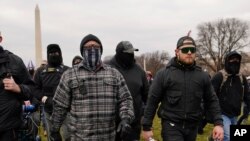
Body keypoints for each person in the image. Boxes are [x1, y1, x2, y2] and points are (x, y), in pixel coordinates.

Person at [50, 34, 135, 141]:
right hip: (79, 137)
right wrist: (55, 130)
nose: (92, 49)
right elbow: (59, 105)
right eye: (88, 47)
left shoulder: (114, 74)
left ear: (101, 50)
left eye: (95, 46)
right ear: (82, 51)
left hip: (108, 137)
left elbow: (125, 99)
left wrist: (126, 119)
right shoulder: (69, 75)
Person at [142, 35, 224, 141]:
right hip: (171, 126)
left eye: (192, 49)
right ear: (177, 52)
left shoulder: (202, 76)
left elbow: (212, 100)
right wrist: (146, 126)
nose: (189, 52)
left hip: (193, 126)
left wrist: (218, 123)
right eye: (185, 49)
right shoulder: (164, 74)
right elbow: (152, 100)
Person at [107, 41, 149, 141]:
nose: (130, 55)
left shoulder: (139, 71)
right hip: (110, 124)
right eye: (127, 53)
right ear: (119, 53)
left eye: (132, 53)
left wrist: (142, 112)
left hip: (133, 125)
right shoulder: (107, 69)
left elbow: (147, 96)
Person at [0, 32, 34, 141]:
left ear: (0, 39)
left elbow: (32, 90)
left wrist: (18, 88)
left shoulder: (15, 61)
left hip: (8, 129)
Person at [211, 51, 250, 141]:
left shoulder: (241, 78)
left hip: (235, 114)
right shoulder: (219, 76)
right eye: (232, 59)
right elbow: (211, 96)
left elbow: (247, 95)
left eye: (237, 59)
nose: (235, 61)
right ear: (227, 61)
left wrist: (247, 110)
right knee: (228, 137)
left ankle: (213, 138)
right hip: (222, 114)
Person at [33, 44, 69, 141]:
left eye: (56, 53)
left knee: (68, 136)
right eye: (51, 53)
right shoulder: (40, 71)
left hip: (66, 110)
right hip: (48, 109)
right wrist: (45, 99)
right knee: (52, 136)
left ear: (60, 54)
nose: (54, 55)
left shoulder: (67, 70)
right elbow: (35, 89)